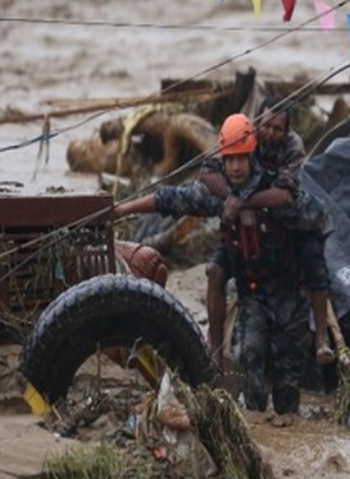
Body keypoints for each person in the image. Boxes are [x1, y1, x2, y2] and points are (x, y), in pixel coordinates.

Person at [112, 114, 326, 416]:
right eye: (229, 160)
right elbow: (172, 199)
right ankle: (254, 425)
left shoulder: (276, 190)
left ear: (252, 156)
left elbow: (317, 216)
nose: (235, 167)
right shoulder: (221, 194)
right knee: (250, 361)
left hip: (290, 297)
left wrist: (266, 211)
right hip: (253, 294)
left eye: (241, 159)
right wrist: (123, 209)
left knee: (287, 389)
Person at [197, 97, 336, 366]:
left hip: (290, 222)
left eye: (277, 129)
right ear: (256, 123)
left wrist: (244, 202)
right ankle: (214, 351)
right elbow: (206, 170)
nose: (270, 133)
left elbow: (284, 195)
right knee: (216, 270)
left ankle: (321, 337)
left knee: (313, 261)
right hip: (249, 224)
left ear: (287, 131)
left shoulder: (294, 147)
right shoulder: (245, 135)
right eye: (266, 126)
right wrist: (231, 197)